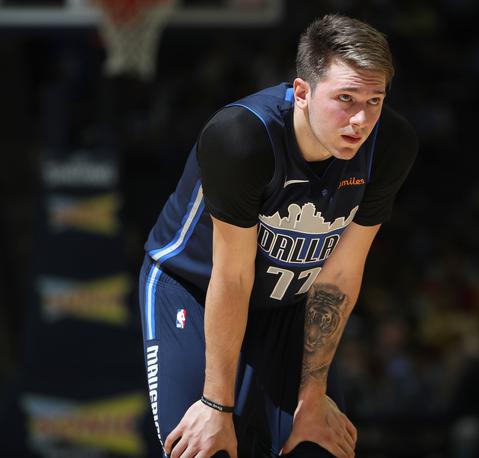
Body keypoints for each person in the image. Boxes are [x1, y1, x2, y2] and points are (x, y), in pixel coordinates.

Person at [138, 14, 417, 458]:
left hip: (290, 302)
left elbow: (340, 275)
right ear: (302, 92)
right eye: (345, 98)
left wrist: (312, 397)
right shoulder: (241, 137)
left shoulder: (390, 145)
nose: (361, 119)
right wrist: (215, 404)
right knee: (204, 447)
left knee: (317, 443)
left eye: (375, 100)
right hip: (193, 287)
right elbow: (233, 278)